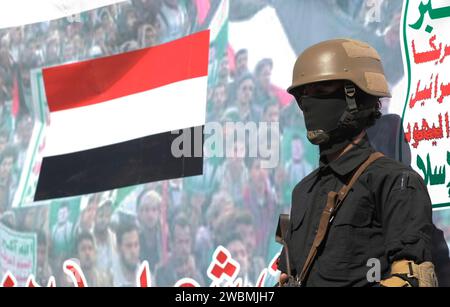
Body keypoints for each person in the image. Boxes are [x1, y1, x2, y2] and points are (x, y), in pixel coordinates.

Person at [278, 38, 436, 287]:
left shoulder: (395, 182)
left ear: (356, 97)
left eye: (322, 90)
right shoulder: (303, 192)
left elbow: (413, 280)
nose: (308, 103)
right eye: (303, 94)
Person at [155, 213, 204, 286]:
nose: (184, 247)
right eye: (180, 242)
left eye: (187, 241)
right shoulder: (162, 272)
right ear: (171, 244)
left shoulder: (196, 273)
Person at [136, 189, 163, 273]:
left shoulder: (165, 238)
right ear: (140, 213)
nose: (150, 215)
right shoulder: (135, 238)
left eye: (154, 210)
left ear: (159, 213)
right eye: (146, 210)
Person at [112, 222, 141, 287]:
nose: (133, 251)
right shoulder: (108, 279)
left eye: (136, 245)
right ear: (118, 248)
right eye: (128, 246)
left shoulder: (148, 278)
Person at [93, 199, 118, 274]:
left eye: (107, 216)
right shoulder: (88, 239)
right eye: (101, 216)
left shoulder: (114, 238)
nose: (104, 220)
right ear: (95, 216)